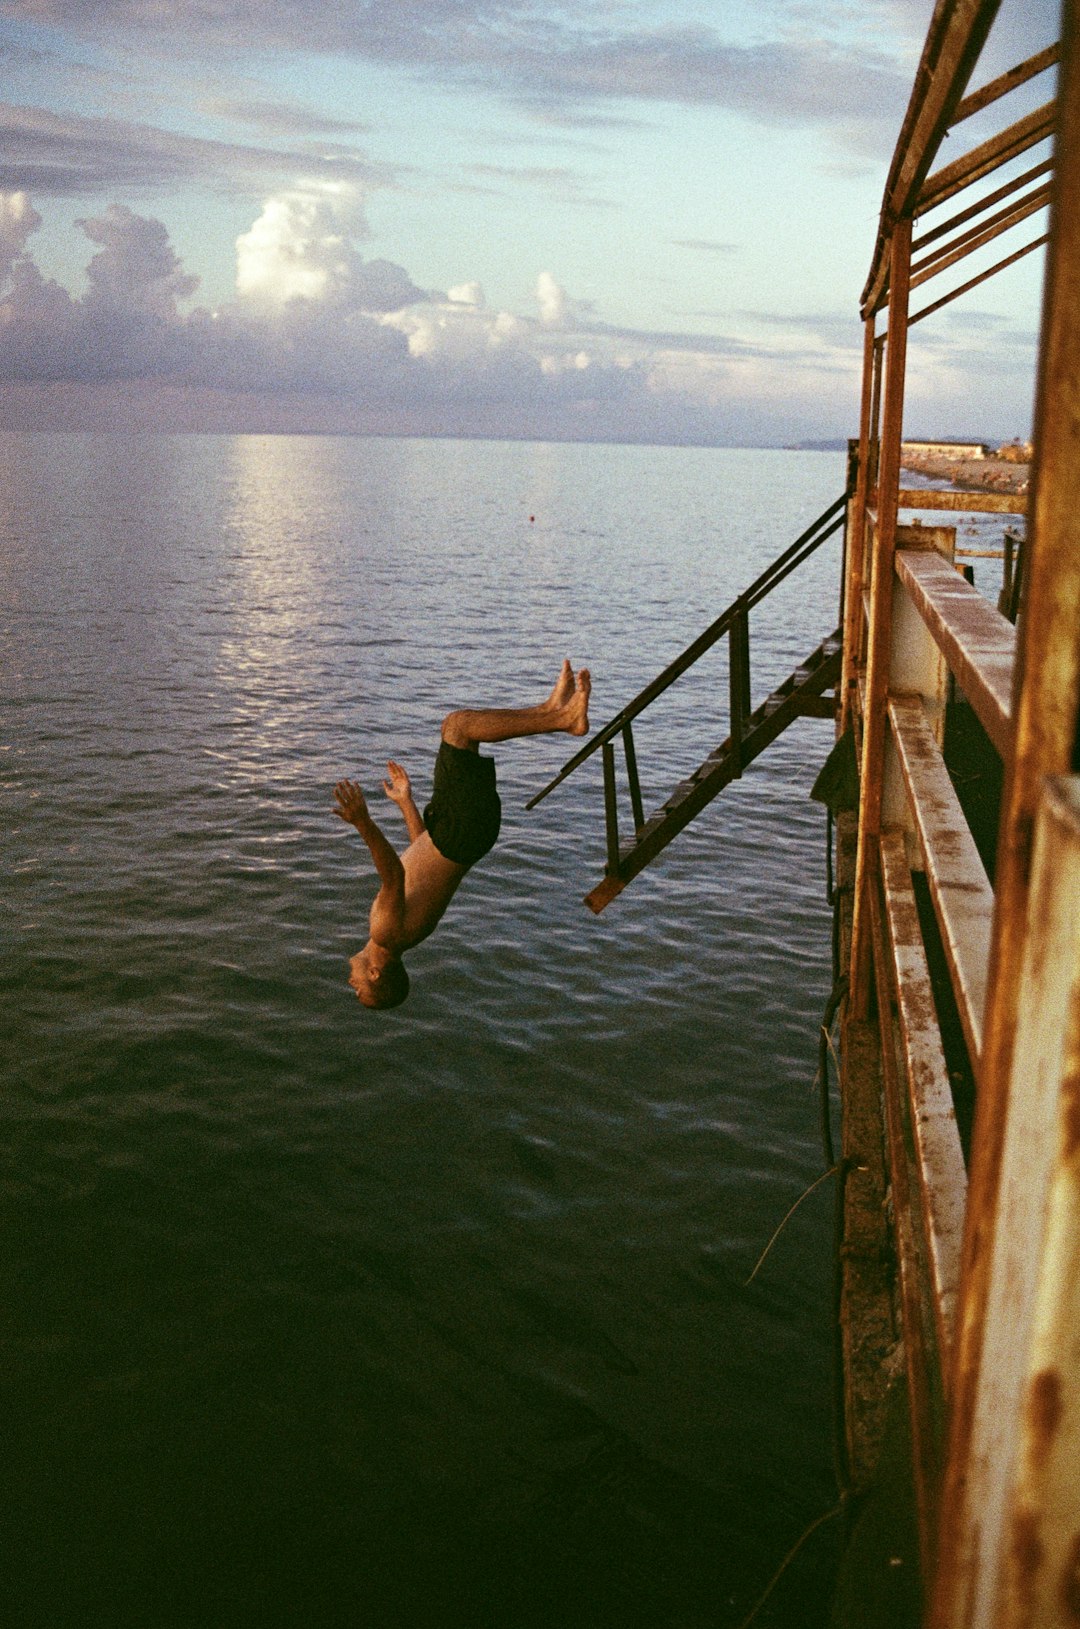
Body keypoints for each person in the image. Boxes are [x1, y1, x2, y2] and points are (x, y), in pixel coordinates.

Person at [334, 660, 591, 1009]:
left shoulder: (402, 936)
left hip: (456, 834)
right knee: (458, 727)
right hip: (460, 831)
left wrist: (405, 802)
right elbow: (393, 875)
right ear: (376, 975)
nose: (352, 983)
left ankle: (551, 710)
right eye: (359, 988)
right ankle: (562, 718)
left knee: (461, 734)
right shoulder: (386, 933)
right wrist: (363, 821)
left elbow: (421, 856)